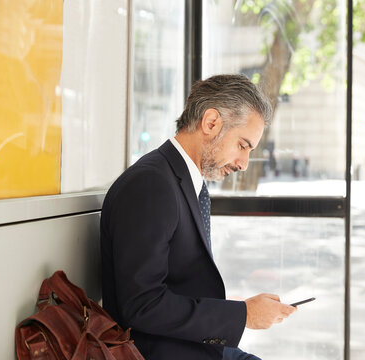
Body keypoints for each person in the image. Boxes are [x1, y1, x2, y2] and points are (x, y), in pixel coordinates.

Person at [100, 74, 296, 360]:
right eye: (242, 146)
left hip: (193, 343)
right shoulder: (151, 184)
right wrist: (242, 316)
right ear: (211, 123)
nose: (243, 164)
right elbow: (142, 305)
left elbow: (179, 283)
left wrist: (243, 308)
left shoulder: (182, 180)